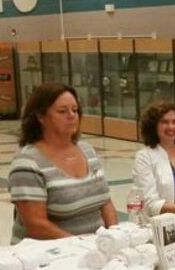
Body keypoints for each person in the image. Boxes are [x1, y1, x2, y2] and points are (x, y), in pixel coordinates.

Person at [9, 82, 117, 244]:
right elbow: (36, 225)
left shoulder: (88, 151)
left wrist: (114, 236)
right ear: (40, 116)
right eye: (62, 111)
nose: (72, 115)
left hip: (94, 249)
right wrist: (80, 244)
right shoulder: (27, 163)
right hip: (49, 254)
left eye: (75, 110)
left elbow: (105, 202)